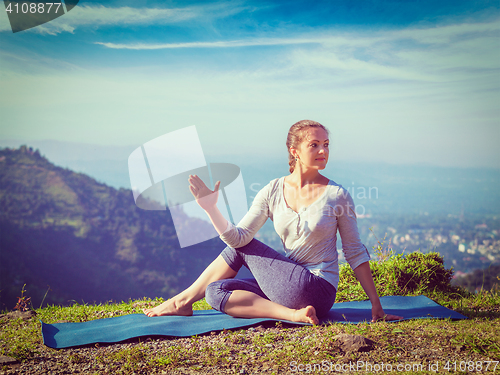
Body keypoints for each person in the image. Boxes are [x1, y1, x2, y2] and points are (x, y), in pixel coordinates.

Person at [144, 120, 403, 324]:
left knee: (240, 248)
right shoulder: (272, 190)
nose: (323, 151)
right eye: (314, 145)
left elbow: (354, 250)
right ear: (295, 151)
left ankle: (183, 301)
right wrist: (211, 209)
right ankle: (291, 314)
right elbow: (239, 236)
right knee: (216, 292)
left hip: (317, 288)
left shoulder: (337, 195)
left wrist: (376, 305)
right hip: (287, 286)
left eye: (326, 144)